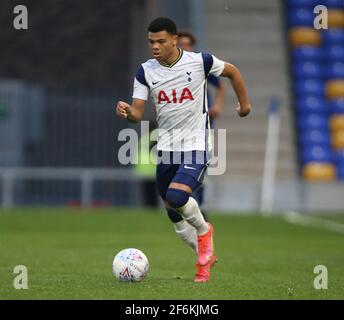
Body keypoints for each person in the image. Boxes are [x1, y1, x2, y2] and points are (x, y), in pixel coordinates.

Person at [116, 17, 251, 282]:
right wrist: (127, 113)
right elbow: (138, 112)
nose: (155, 46)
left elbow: (233, 71)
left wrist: (243, 105)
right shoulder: (146, 71)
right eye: (151, 42)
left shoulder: (200, 61)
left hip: (196, 145)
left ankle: (204, 231)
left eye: (161, 41)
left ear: (175, 40)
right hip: (166, 149)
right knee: (171, 211)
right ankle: (203, 258)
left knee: (177, 197)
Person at [177, 30, 225, 221]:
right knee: (178, 167)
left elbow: (221, 86)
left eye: (187, 44)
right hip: (179, 126)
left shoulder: (199, 65)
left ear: (193, 47)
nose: (184, 47)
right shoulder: (170, 68)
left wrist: (217, 106)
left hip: (202, 126)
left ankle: (200, 206)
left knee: (199, 169)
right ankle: (186, 206)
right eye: (181, 44)